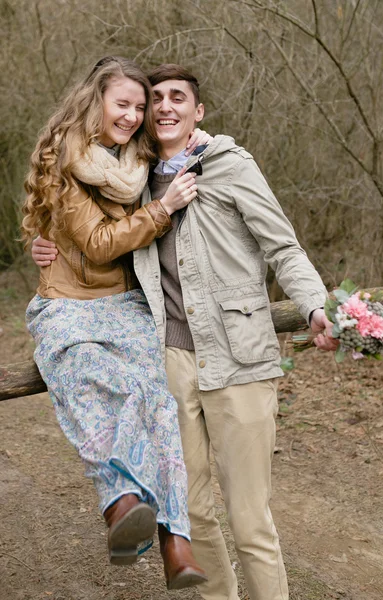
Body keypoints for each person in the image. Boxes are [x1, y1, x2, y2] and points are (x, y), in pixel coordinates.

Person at [32, 63, 337, 600]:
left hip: (238, 358)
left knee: (249, 520)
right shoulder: (135, 180)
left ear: (198, 113)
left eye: (179, 98)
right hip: (168, 358)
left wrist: (315, 305)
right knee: (193, 512)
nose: (165, 106)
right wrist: (44, 247)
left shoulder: (231, 167)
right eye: (156, 99)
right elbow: (97, 237)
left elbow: (282, 247)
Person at [21, 56, 209, 591]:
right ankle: (121, 502)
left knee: (156, 398)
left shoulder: (141, 158)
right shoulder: (67, 158)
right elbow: (99, 242)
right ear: (94, 103)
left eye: (138, 107)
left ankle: (177, 540)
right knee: (84, 377)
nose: (131, 116)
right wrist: (162, 210)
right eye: (120, 104)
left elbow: (190, 141)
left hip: (126, 302)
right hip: (68, 303)